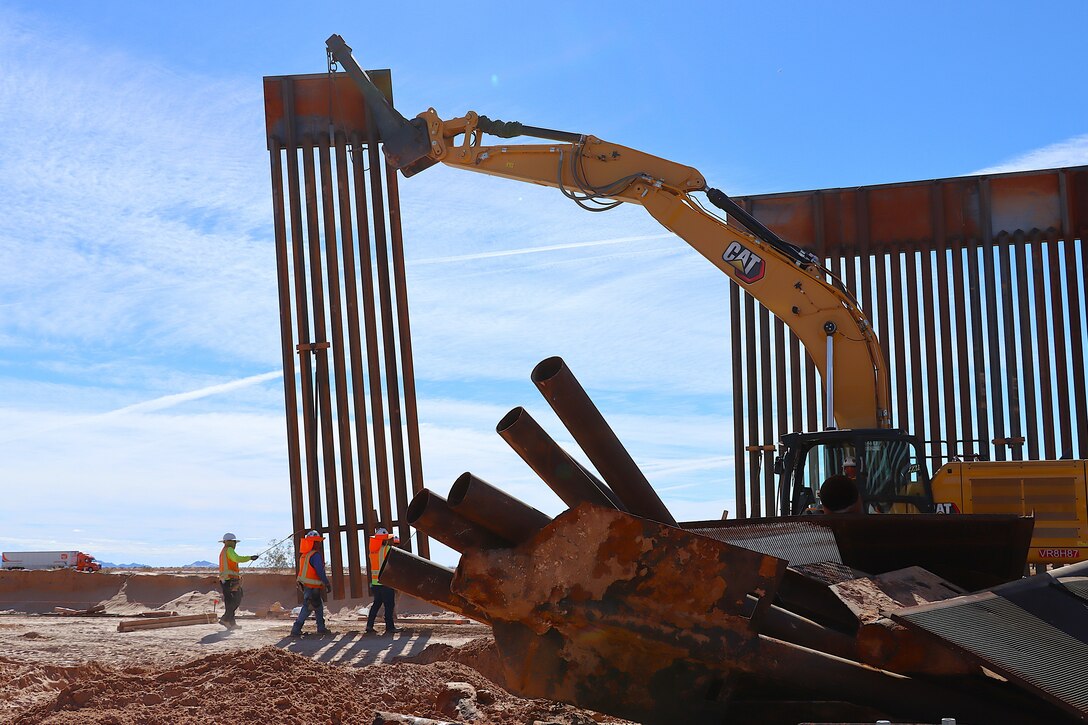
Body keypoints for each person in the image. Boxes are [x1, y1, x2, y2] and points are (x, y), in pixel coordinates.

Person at [290, 530, 333, 637]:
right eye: (317, 542)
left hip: (306, 585)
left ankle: (321, 628)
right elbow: (320, 571)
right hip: (312, 586)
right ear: (314, 543)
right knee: (308, 607)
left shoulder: (304, 555)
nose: (319, 544)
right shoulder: (315, 555)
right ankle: (296, 628)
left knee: (318, 606)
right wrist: (326, 583)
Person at [218, 533, 258, 628]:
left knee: (230, 601)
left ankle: (231, 623)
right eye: (234, 541)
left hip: (226, 579)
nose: (235, 544)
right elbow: (237, 558)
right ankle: (225, 619)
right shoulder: (229, 550)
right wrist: (250, 558)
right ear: (229, 542)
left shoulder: (223, 551)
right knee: (235, 600)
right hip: (230, 580)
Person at [366, 527, 400, 635]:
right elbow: (395, 557)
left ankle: (369, 625)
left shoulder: (372, 552)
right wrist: (397, 543)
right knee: (389, 605)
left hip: (375, 583)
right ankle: (390, 627)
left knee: (376, 604)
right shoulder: (387, 549)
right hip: (385, 582)